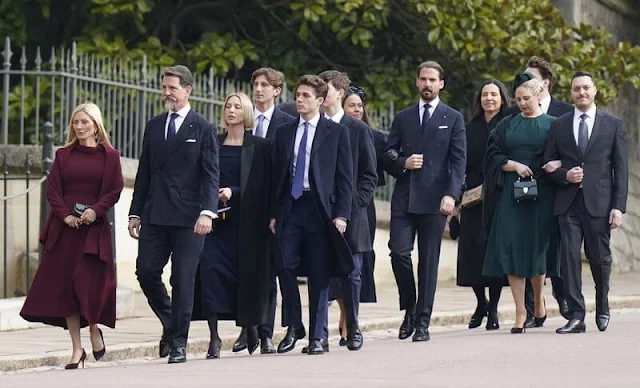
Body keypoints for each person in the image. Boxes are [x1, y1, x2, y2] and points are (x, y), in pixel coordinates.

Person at [20, 102, 124, 369]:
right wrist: (66, 215)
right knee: (67, 290)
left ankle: (93, 331)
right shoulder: (63, 155)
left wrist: (95, 211)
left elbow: (114, 189)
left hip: (93, 230)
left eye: (84, 123)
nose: (79, 127)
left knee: (88, 287)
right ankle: (77, 349)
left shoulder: (109, 156)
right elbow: (53, 190)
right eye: (75, 123)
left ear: (96, 125)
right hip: (65, 231)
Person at [128, 65, 219, 364]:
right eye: (164, 87)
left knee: (183, 279)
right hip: (155, 213)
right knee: (146, 271)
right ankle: (171, 322)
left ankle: (179, 343)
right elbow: (143, 172)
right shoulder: (154, 125)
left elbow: (210, 176)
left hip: (190, 218)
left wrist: (207, 212)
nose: (166, 93)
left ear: (187, 90)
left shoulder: (203, 127)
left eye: (172, 88)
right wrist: (134, 213)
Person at [383, 61, 466, 342]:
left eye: (433, 79)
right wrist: (404, 162)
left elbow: (459, 161)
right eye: (423, 79)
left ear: (441, 84)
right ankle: (410, 307)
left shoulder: (453, 117)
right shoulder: (404, 117)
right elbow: (388, 154)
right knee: (399, 253)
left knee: (429, 263)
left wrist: (451, 196)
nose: (428, 84)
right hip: (405, 198)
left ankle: (423, 321)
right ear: (417, 83)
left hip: (436, 200)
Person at [271, 75, 353, 355]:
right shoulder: (284, 131)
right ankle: (295, 325)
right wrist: (274, 213)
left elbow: (345, 179)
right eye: (298, 94)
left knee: (320, 273)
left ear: (319, 100)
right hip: (291, 207)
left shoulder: (337, 133)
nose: (300, 99)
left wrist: (341, 214)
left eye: (306, 95)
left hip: (321, 211)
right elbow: (278, 177)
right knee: (284, 265)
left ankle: (318, 337)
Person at [543, 71, 628, 334]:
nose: (581, 93)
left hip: (600, 204)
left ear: (594, 91)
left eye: (586, 88)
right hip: (568, 202)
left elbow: (621, 170)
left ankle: (602, 307)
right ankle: (577, 316)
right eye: (576, 89)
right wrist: (563, 174)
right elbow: (547, 164)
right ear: (570, 94)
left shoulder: (612, 124)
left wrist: (618, 206)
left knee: (599, 259)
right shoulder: (559, 125)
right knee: (568, 259)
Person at [192, 92, 272, 358]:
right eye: (228, 106)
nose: (231, 110)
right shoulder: (213, 142)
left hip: (245, 224)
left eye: (237, 107)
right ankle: (214, 338)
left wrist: (233, 192)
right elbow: (202, 174)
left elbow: (261, 185)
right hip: (214, 222)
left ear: (246, 113)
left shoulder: (259, 146)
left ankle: (250, 327)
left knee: (244, 277)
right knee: (210, 274)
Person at [482, 73, 559, 333]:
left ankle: (538, 300)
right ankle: (519, 311)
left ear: (538, 96)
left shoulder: (554, 125)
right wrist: (512, 164)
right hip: (510, 195)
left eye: (527, 98)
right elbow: (492, 154)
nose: (522, 103)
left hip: (543, 195)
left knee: (537, 248)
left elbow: (564, 155)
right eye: (518, 99)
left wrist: (554, 165)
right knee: (510, 246)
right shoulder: (507, 125)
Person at [505, 56, 573, 324]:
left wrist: (560, 163)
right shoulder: (512, 116)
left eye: (530, 79)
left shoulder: (565, 112)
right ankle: (532, 308)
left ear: (544, 83)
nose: (524, 85)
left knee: (552, 248)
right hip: (519, 192)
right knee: (524, 246)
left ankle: (563, 299)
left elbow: (575, 150)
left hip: (554, 191)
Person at [231, 68, 294, 355]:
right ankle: (247, 329)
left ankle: (266, 332)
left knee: (268, 273)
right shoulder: (244, 122)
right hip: (242, 208)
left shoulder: (286, 123)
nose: (258, 89)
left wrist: (277, 212)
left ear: (277, 90)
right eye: (255, 84)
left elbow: (285, 172)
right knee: (244, 270)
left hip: (271, 209)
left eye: (265, 85)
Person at [319, 70, 377, 352]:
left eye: (325, 89)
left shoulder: (359, 130)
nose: (320, 93)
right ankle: (318, 334)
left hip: (352, 214)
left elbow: (369, 175)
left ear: (339, 94)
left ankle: (353, 328)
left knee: (352, 274)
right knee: (321, 272)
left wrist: (352, 204)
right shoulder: (314, 126)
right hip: (319, 212)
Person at [328, 84, 385, 345]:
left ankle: (351, 321)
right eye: (352, 105)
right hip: (332, 211)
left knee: (355, 268)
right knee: (334, 270)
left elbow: (372, 176)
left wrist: (356, 203)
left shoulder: (366, 133)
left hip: (361, 210)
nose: (356, 110)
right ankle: (343, 314)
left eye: (359, 106)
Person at [456, 80, 510, 331]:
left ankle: (495, 308)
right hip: (473, 197)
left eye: (494, 94)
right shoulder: (469, 128)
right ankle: (481, 302)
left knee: (495, 253)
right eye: (485, 94)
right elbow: (459, 164)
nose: (489, 98)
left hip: (501, 195)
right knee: (472, 252)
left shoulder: (510, 123)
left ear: (502, 98)